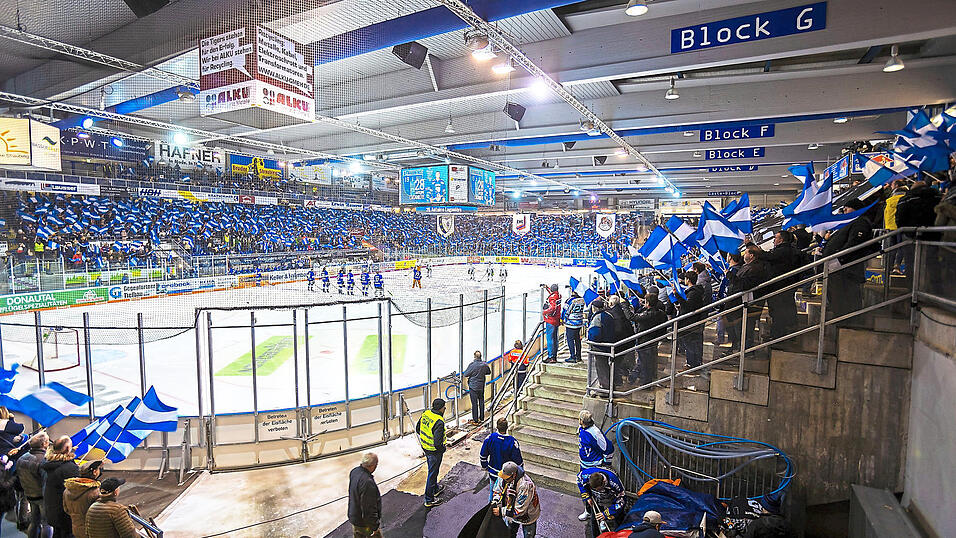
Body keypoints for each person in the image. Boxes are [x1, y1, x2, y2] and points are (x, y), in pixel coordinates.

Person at [820, 199, 875, 319]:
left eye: (847, 208)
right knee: (837, 296)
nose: (844, 210)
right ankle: (841, 318)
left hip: (847, 269)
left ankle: (847, 321)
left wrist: (839, 260)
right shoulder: (850, 222)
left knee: (845, 297)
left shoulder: (860, 222)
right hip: (840, 268)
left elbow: (854, 243)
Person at [761, 230, 805, 339]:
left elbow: (767, 257)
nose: (774, 241)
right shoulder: (794, 251)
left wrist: (753, 247)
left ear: (781, 240)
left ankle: (777, 336)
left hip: (778, 286)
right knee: (785, 309)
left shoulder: (782, 251)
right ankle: (787, 332)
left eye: (775, 238)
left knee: (778, 312)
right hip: (789, 285)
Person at [725, 248, 770, 355]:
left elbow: (744, 285)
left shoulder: (755, 268)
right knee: (738, 330)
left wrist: (731, 277)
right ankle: (740, 351)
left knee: (744, 330)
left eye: (745, 253)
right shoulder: (748, 266)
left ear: (751, 255)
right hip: (739, 305)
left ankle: (746, 352)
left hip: (746, 306)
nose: (743, 255)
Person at [42, 436, 80, 538]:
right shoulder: (69, 468)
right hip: (65, 513)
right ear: (68, 448)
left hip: (52, 509)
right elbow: (79, 488)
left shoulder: (47, 463)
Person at [491, 462, 540, 538]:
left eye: (507, 478)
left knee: (529, 535)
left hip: (528, 515)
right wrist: (496, 500)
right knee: (509, 533)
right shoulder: (504, 476)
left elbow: (519, 509)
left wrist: (501, 511)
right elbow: (498, 490)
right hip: (511, 514)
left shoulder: (525, 486)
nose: (504, 479)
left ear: (514, 475)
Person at [630, 294, 668, 390]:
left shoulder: (649, 315)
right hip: (653, 340)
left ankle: (645, 383)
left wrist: (624, 305)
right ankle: (638, 378)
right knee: (647, 361)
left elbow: (632, 317)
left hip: (645, 341)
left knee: (644, 362)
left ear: (648, 303)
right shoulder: (661, 313)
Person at [480, 418, 523, 501]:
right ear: (507, 427)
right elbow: (519, 462)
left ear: (497, 427)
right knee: (507, 496)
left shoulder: (490, 438)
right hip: (508, 476)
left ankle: (491, 509)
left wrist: (485, 466)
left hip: (493, 473)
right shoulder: (512, 442)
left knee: (493, 494)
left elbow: (483, 455)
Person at [577, 467, 627, 535]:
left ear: (603, 482)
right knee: (595, 519)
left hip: (612, 498)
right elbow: (579, 480)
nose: (597, 490)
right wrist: (587, 496)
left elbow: (622, 501)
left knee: (618, 519)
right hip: (597, 499)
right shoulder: (585, 475)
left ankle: (618, 534)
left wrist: (606, 513)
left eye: (598, 489)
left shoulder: (614, 483)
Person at [17, 432, 49, 538]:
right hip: (42, 497)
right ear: (43, 444)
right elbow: (46, 483)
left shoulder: (21, 458)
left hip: (29, 495)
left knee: (34, 522)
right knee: (46, 524)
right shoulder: (43, 461)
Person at [416, 399, 446, 508]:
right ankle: (429, 499)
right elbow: (438, 443)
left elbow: (418, 428)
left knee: (433, 470)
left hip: (426, 448)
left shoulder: (426, 413)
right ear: (442, 408)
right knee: (432, 474)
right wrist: (442, 449)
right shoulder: (439, 421)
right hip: (434, 451)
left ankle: (435, 489)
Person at [674, 271, 705, 369]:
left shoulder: (694, 293)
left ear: (688, 280)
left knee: (690, 345)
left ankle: (692, 364)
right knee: (691, 345)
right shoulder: (694, 291)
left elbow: (688, 306)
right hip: (691, 322)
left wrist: (677, 296)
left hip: (690, 323)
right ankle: (693, 363)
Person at [63, 460, 102, 538]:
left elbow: (66, 509)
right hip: (91, 530)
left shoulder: (67, 490)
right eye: (98, 469)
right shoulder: (95, 492)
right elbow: (99, 514)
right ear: (94, 472)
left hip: (76, 528)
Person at [348, 452, 382, 538]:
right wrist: (374, 527)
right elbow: (368, 508)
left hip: (354, 517)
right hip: (365, 524)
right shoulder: (367, 483)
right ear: (372, 466)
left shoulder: (354, 471)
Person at [586, 298, 615, 390]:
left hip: (600, 347)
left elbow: (594, 334)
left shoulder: (597, 318)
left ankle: (605, 388)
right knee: (606, 367)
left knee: (601, 367)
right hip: (609, 344)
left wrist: (590, 339)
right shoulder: (609, 315)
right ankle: (609, 385)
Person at [606, 295, 636, 384]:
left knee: (615, 364)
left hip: (618, 343)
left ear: (611, 303)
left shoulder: (611, 314)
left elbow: (617, 330)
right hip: (627, 342)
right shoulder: (623, 311)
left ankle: (617, 381)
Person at [462, 351, 491, 424]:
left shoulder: (472, 365)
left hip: (473, 387)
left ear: (474, 357)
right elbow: (488, 372)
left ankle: (475, 419)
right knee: (481, 401)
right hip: (481, 386)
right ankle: (481, 418)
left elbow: (466, 374)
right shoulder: (484, 364)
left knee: (474, 403)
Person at [563, 290, 586, 364]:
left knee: (570, 340)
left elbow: (565, 311)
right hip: (579, 322)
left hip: (571, 323)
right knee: (577, 339)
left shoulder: (570, 300)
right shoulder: (582, 300)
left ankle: (572, 356)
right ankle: (578, 356)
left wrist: (563, 319)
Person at [541, 284, 561, 363]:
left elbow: (552, 308)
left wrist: (544, 312)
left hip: (551, 320)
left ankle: (551, 356)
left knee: (550, 338)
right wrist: (547, 288)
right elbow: (553, 294)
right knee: (555, 338)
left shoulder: (552, 298)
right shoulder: (558, 295)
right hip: (556, 320)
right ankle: (554, 355)